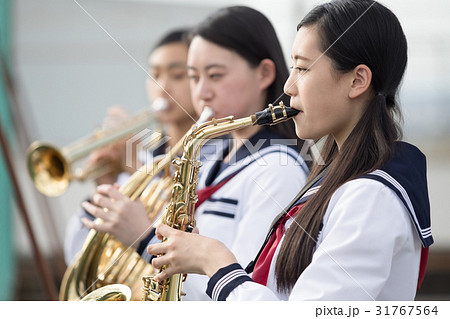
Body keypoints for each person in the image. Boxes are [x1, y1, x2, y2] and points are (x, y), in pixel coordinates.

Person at [146, 0, 433, 301]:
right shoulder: (335, 179)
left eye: (303, 68)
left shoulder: (372, 195)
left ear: (357, 80)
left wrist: (215, 262)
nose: (289, 86)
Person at [82, 6, 310, 301]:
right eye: (193, 77)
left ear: (264, 73)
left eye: (215, 75)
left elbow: (249, 293)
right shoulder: (217, 156)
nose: (201, 92)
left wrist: (145, 238)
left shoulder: (278, 169)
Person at [64, 28, 198, 264]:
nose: (163, 88)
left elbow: (185, 236)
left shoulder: (216, 158)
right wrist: (105, 189)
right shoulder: (145, 156)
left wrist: (135, 169)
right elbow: (74, 253)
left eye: (177, 75)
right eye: (155, 74)